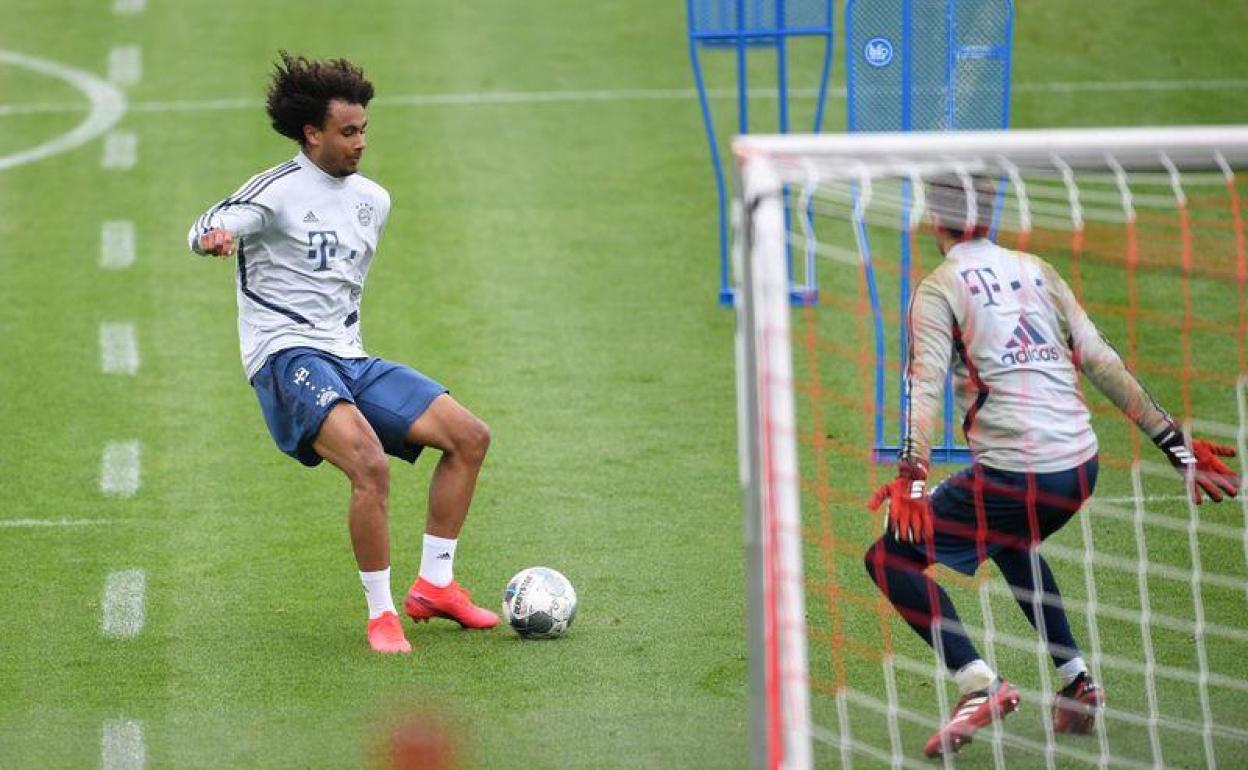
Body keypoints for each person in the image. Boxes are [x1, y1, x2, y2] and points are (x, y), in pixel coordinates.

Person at [864, 174, 1241, 757]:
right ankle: (1078, 681)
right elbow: (1102, 359)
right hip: (1081, 468)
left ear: (930, 220)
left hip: (1018, 473)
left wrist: (911, 479)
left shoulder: (939, 288)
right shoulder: (1037, 269)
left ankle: (976, 683)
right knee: (1011, 538)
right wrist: (1177, 446)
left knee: (889, 556)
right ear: (989, 216)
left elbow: (923, 385)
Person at [186, 52, 498, 655]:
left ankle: (436, 585)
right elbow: (210, 221)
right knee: (369, 464)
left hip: (347, 356)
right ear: (312, 134)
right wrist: (213, 238)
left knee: (469, 436)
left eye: (363, 130)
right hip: (283, 355)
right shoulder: (275, 191)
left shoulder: (373, 200)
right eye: (347, 131)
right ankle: (382, 616)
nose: (360, 143)